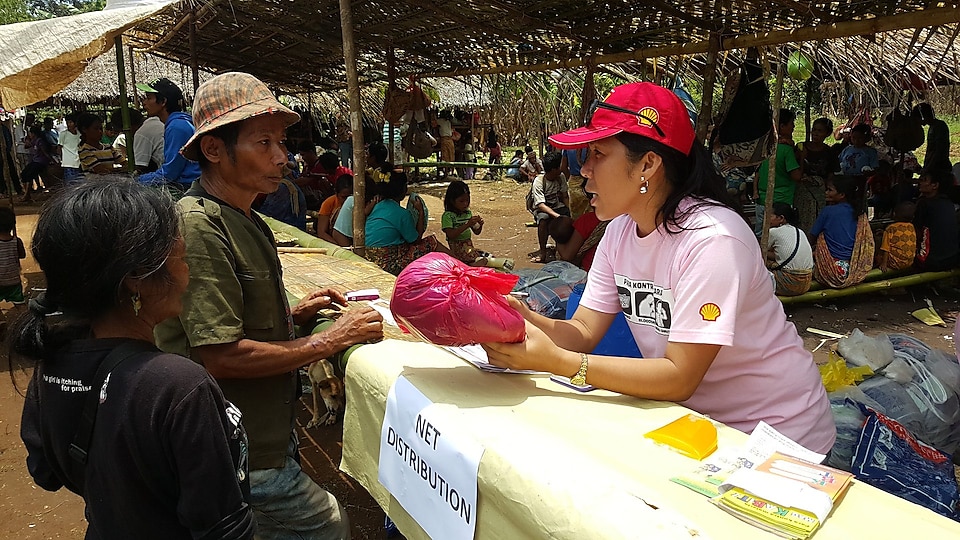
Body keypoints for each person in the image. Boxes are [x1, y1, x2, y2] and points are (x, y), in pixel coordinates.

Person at [483, 82, 835, 454]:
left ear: (648, 165)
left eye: (598, 154)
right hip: (699, 428)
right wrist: (520, 316)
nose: (584, 169)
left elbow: (679, 376)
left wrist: (560, 363)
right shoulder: (619, 231)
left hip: (778, 437)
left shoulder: (713, 240)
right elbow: (584, 330)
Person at [154, 72, 384, 539]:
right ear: (214, 150)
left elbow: (229, 318)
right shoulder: (199, 227)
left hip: (263, 437)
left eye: (281, 141)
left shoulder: (246, 217)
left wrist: (292, 318)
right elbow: (220, 356)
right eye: (263, 142)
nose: (282, 156)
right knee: (329, 525)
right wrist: (332, 340)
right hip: (236, 448)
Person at [14, 181, 255, 539]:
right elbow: (224, 527)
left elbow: (44, 471)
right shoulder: (180, 386)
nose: (188, 274)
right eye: (182, 260)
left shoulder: (52, 361)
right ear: (136, 279)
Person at [365, 170, 450, 275]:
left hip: (370, 258)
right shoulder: (402, 214)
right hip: (387, 264)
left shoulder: (377, 206)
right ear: (403, 189)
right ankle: (461, 265)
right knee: (432, 242)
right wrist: (421, 212)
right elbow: (416, 240)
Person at [810, 175, 875, 288]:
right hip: (854, 268)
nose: (826, 192)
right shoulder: (859, 213)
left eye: (830, 190)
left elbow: (812, 236)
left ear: (841, 195)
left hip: (830, 269)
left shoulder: (828, 211)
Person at [136, 78, 201, 190]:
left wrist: (138, 180)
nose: (144, 102)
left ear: (163, 102)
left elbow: (170, 173)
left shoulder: (176, 127)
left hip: (187, 187)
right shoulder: (180, 122)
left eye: (149, 98)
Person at [441, 180, 513, 269]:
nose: (465, 204)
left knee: (489, 257)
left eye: (467, 200)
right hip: (458, 250)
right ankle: (470, 266)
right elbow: (450, 235)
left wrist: (479, 225)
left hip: (469, 247)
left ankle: (473, 265)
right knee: (481, 260)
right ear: (452, 201)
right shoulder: (448, 216)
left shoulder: (467, 213)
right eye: (461, 201)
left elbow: (476, 232)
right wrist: (467, 225)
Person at [753, 109, 801, 235]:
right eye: (791, 123)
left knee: (761, 234)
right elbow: (796, 176)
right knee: (780, 235)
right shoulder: (786, 150)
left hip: (762, 200)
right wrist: (801, 158)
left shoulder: (765, 146)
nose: (793, 126)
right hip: (781, 202)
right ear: (782, 126)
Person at [795, 117, 838, 231]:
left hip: (820, 190)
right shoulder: (801, 147)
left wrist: (828, 186)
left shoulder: (829, 152)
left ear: (827, 134)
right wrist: (801, 157)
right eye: (814, 130)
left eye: (819, 131)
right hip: (803, 189)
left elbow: (831, 172)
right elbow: (795, 170)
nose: (815, 134)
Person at [914, 168, 959, 271]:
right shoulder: (948, 202)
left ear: (935, 185)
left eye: (924, 180)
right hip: (953, 258)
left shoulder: (924, 204)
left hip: (932, 261)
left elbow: (916, 231)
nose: (920, 182)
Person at [529, 151, 570, 263]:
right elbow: (540, 204)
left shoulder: (560, 177)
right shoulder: (539, 181)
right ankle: (543, 252)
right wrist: (557, 216)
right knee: (543, 220)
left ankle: (561, 250)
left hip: (558, 205)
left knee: (568, 220)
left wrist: (569, 211)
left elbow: (565, 196)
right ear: (553, 169)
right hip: (544, 208)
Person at [765, 203, 813, 296]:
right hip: (806, 283)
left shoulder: (774, 232)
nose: (766, 219)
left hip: (789, 283)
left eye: (770, 216)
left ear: (781, 218)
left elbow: (762, 251)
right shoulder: (800, 231)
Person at [331, 173, 379, 247]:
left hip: (343, 233)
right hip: (341, 234)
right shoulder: (353, 200)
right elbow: (364, 212)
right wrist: (373, 203)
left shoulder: (351, 199)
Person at [876, 201, 916, 272]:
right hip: (909, 262)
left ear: (894, 214)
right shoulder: (911, 226)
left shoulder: (890, 228)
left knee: (878, 241)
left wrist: (884, 264)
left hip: (895, 263)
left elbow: (885, 248)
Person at [914, 103, 951, 171]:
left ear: (923, 116)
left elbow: (938, 151)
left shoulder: (939, 126)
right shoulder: (932, 127)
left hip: (940, 167)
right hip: (933, 166)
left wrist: (928, 168)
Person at [316, 173, 352, 244]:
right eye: (343, 197)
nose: (347, 200)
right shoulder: (328, 203)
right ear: (336, 193)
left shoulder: (358, 204)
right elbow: (321, 232)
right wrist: (338, 246)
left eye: (350, 197)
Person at [0, 207, 26, 305]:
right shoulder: (16, 241)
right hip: (14, 280)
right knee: (19, 303)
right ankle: (27, 319)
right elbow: (22, 255)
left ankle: (2, 320)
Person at [20, 125, 53, 201]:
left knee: (29, 174)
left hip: (41, 162)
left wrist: (51, 160)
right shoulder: (33, 141)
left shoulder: (40, 141)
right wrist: (27, 140)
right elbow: (26, 146)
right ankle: (27, 193)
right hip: (35, 161)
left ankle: (27, 195)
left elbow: (45, 152)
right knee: (24, 174)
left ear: (33, 133)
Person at [561, 147, 590, 218]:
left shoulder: (568, 146)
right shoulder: (590, 145)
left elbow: (563, 167)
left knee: (576, 213)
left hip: (574, 182)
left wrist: (570, 178)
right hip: (589, 180)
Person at [59, 113, 83, 184]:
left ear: (75, 123)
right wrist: (61, 160)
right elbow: (59, 148)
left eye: (71, 122)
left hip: (78, 162)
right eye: (67, 122)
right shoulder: (63, 134)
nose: (69, 124)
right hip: (68, 163)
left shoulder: (79, 134)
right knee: (70, 185)